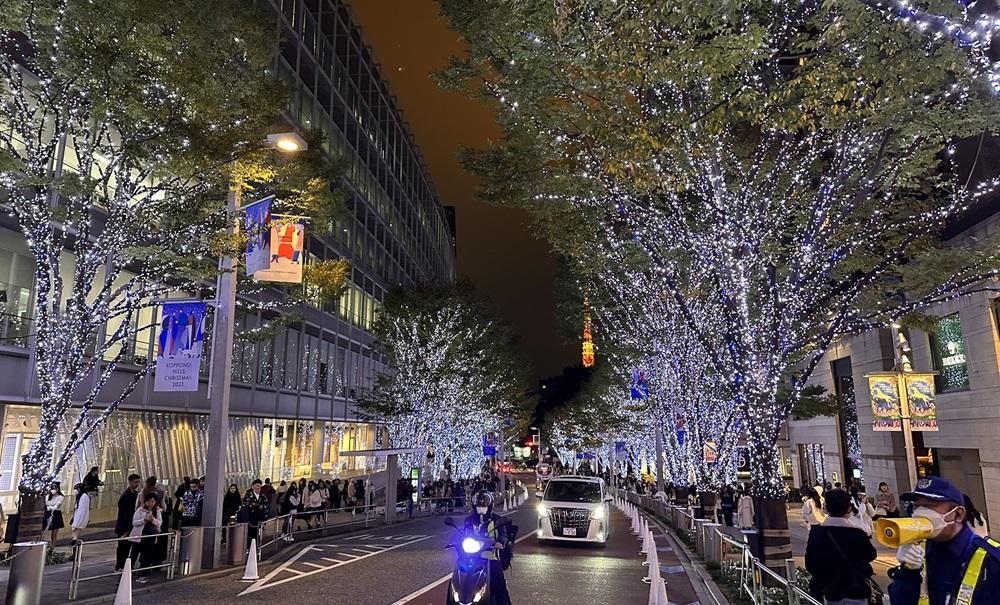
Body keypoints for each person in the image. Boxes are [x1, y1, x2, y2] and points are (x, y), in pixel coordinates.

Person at [888, 476, 1000, 605]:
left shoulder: (992, 559)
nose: (920, 513)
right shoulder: (918, 551)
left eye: (929, 506)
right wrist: (907, 572)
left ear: (958, 514)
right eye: (917, 506)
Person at [805, 489, 877, 605]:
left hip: (827, 592)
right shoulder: (858, 534)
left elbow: (810, 564)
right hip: (855, 591)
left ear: (825, 508)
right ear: (848, 509)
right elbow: (871, 555)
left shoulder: (817, 534)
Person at [463, 490, 512, 605]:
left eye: (484, 505)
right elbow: (462, 534)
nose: (481, 507)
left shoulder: (496, 520)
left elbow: (503, 534)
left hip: (490, 558)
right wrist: (456, 542)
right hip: (470, 558)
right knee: (457, 581)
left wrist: (500, 542)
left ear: (489, 506)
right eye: (479, 505)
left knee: (499, 585)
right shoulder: (469, 520)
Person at [128, 493, 162, 583]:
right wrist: (144, 520)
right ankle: (129, 570)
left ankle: (143, 574)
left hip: (150, 536)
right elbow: (134, 522)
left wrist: (152, 519)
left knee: (146, 556)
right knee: (134, 554)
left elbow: (159, 522)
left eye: (153, 501)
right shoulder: (140, 510)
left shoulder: (157, 510)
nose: (150, 503)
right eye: (149, 501)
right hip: (139, 536)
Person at [115, 474, 142, 572]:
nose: (137, 484)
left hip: (131, 525)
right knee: (123, 547)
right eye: (135, 482)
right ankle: (119, 565)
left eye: (138, 482)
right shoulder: (126, 496)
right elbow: (123, 514)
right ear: (130, 482)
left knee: (128, 547)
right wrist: (124, 529)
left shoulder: (135, 494)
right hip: (125, 526)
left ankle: (124, 565)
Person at [243, 478, 270, 550]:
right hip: (251, 517)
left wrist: (262, 508)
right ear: (253, 487)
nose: (258, 488)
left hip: (260, 517)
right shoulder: (248, 495)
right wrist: (255, 506)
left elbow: (266, 505)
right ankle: (249, 547)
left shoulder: (263, 496)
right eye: (256, 486)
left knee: (258, 533)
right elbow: (246, 505)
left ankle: (257, 547)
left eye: (259, 487)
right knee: (251, 532)